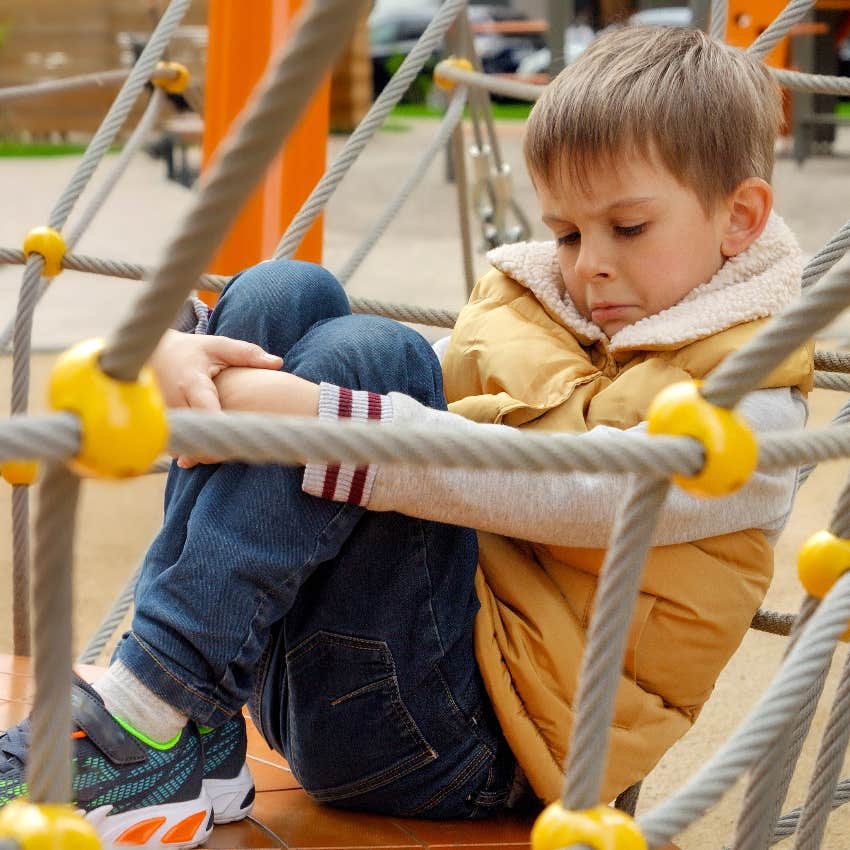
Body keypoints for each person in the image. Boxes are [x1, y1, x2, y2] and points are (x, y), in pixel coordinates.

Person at [0, 25, 813, 848]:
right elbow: (410, 371)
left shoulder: (755, 406)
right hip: (350, 682)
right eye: (566, 234)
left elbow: (589, 495)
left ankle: (144, 718)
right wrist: (181, 346)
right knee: (289, 291)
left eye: (627, 228)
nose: (589, 265)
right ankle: (183, 729)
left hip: (473, 746)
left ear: (740, 217)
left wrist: (292, 412)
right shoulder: (552, 308)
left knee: (369, 356)